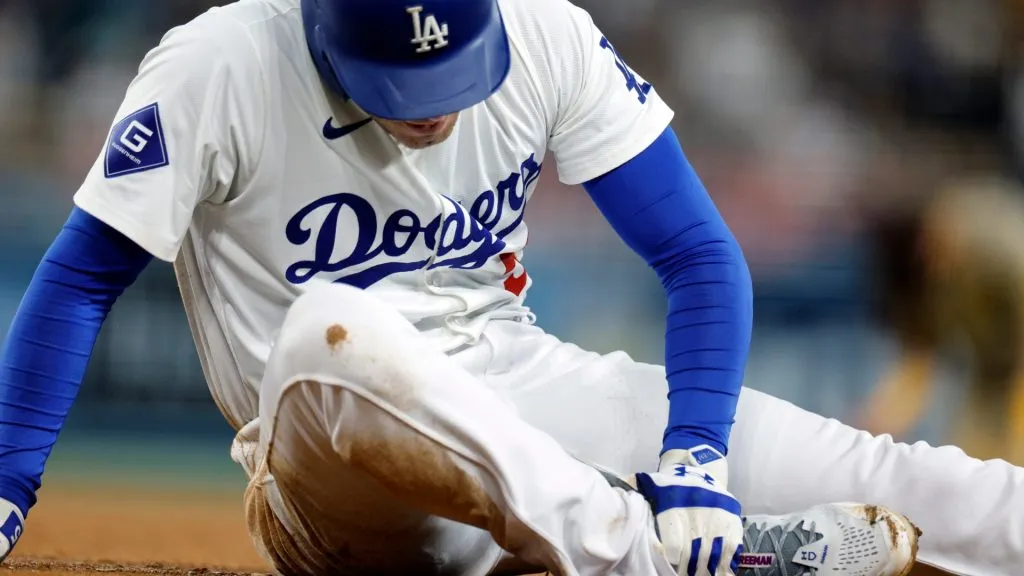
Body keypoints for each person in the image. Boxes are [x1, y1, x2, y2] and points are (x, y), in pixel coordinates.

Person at [0, 0, 1019, 574]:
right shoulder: (218, 64)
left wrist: (697, 458)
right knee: (334, 328)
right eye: (403, 87)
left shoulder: (545, 35)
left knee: (903, 479)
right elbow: (84, 275)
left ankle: (691, 545)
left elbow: (699, 257)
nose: (435, 113)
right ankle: (651, 556)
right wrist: (6, 481)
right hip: (328, 458)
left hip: (517, 382)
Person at [859, 176, 1024, 465]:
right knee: (975, 463)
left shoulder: (992, 235)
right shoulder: (912, 274)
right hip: (993, 367)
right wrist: (869, 435)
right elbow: (915, 363)